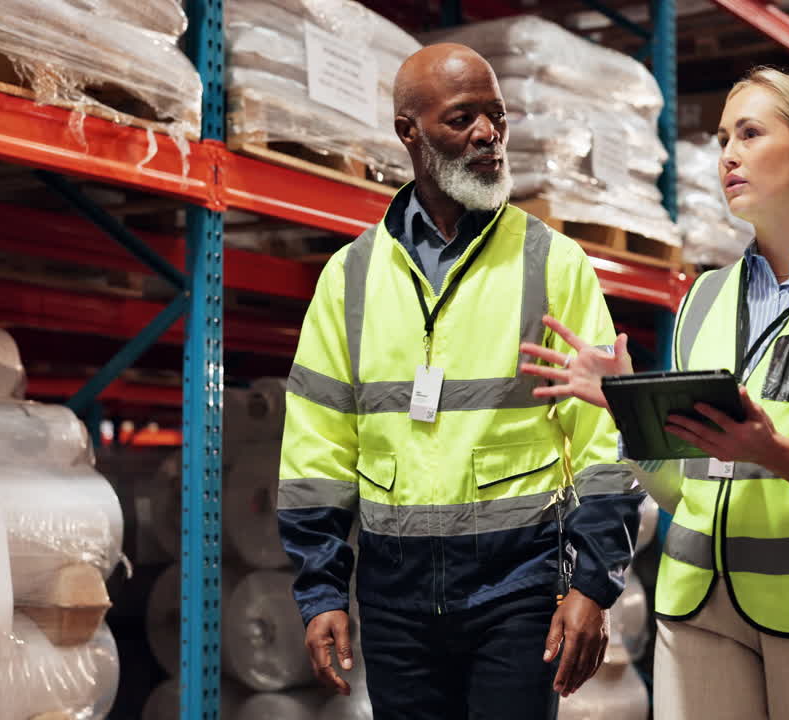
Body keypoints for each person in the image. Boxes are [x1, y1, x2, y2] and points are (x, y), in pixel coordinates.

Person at [520, 67, 789, 719]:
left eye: (750, 133)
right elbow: (686, 491)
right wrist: (628, 411)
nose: (728, 156)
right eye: (722, 140)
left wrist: (778, 454)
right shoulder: (704, 298)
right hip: (698, 614)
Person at [275, 43, 643, 720]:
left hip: (519, 589)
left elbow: (604, 436)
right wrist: (321, 589)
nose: (487, 133)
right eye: (461, 118)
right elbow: (316, 446)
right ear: (407, 131)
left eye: (496, 116)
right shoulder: (350, 276)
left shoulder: (553, 264)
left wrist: (593, 583)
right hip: (395, 599)